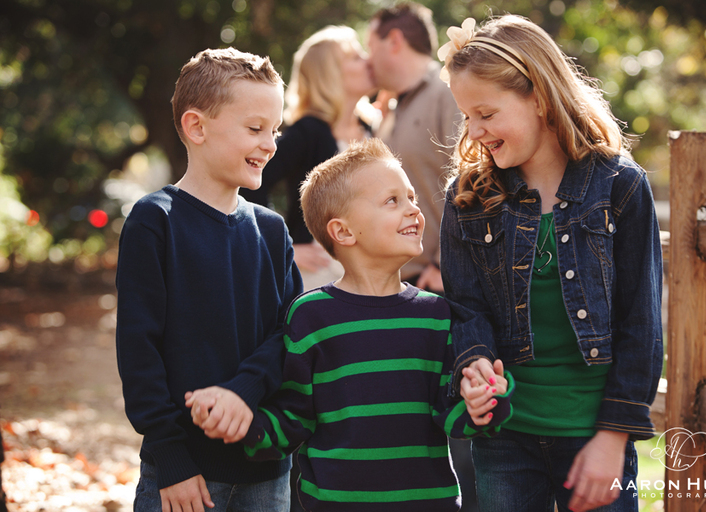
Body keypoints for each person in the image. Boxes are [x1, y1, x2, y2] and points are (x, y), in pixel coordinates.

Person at [438, 15, 663, 512]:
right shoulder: (469, 197)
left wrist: (613, 437)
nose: (474, 132)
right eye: (466, 116)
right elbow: (466, 308)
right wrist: (474, 367)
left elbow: (640, 324)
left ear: (538, 98)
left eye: (486, 114)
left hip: (594, 439)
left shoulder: (620, 187)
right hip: (505, 437)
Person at [238, 138, 513, 511]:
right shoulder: (310, 317)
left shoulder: (436, 316)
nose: (414, 210)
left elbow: (452, 416)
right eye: (392, 201)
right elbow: (293, 416)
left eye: (412, 198)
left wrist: (484, 404)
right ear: (344, 232)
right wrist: (242, 426)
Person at [115, 48, 302, 512]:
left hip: (268, 472)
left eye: (274, 131)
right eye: (255, 129)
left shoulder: (272, 229)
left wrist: (243, 392)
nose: (270, 144)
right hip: (183, 476)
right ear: (197, 127)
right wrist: (171, 457)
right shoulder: (154, 221)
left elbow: (291, 332)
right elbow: (138, 351)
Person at [240, 25, 375, 290]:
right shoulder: (308, 131)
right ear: (330, 74)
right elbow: (250, 181)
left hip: (367, 275)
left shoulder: (370, 128)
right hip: (320, 275)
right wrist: (283, 246)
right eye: (356, 58)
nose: (368, 61)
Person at [367, 2, 463, 293]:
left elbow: (472, 176)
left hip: (436, 283)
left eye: (371, 48)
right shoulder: (392, 109)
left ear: (394, 41)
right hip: (396, 286)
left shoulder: (449, 91)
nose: (368, 60)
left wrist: (443, 263)